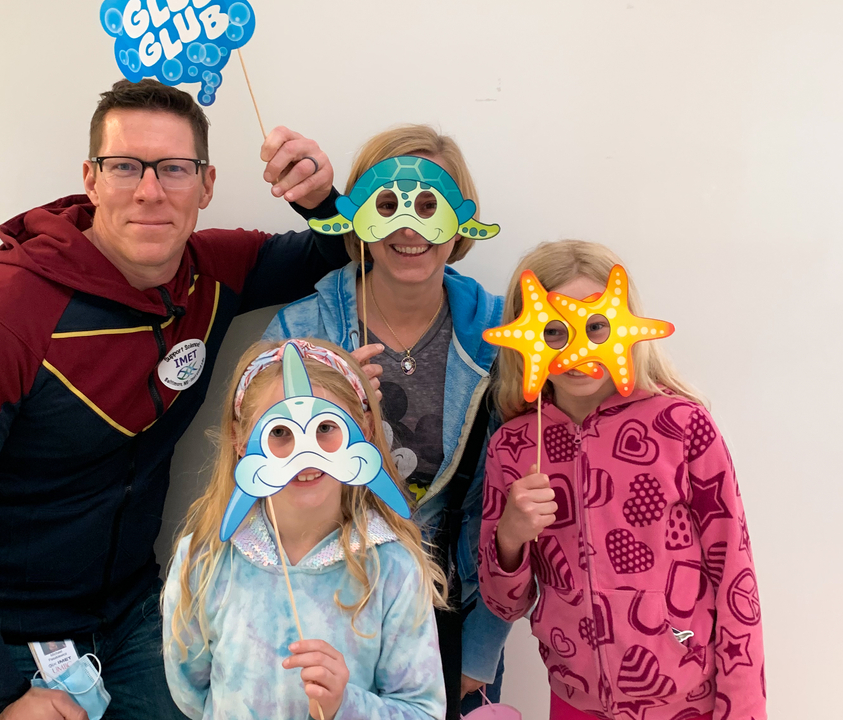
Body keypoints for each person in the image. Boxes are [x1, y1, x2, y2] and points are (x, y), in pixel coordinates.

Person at [0, 78, 365, 720]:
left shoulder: (211, 271)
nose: (149, 190)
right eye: (124, 167)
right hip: (0, 644)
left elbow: (335, 251)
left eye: (173, 168)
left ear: (207, 183)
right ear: (91, 179)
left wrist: (320, 198)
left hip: (139, 619)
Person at [263, 125, 511, 717]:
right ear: (357, 216)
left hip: (450, 613)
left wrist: (479, 654)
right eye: (388, 204)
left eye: (431, 205)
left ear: (460, 222)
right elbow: (253, 486)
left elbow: (496, 510)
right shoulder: (302, 330)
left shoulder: (502, 339)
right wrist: (328, 407)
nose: (409, 227)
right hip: (324, 613)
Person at [479, 240, 766, 720]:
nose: (577, 348)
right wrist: (509, 537)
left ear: (625, 326)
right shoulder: (513, 446)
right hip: (574, 702)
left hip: (687, 700)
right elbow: (503, 603)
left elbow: (735, 573)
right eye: (554, 331)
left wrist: (744, 708)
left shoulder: (682, 426)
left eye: (595, 326)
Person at [163, 339, 446, 719]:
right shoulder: (203, 559)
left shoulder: (393, 568)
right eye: (279, 433)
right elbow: (190, 692)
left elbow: (423, 711)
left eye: (326, 427)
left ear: (361, 427)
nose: (304, 456)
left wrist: (345, 706)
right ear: (241, 439)